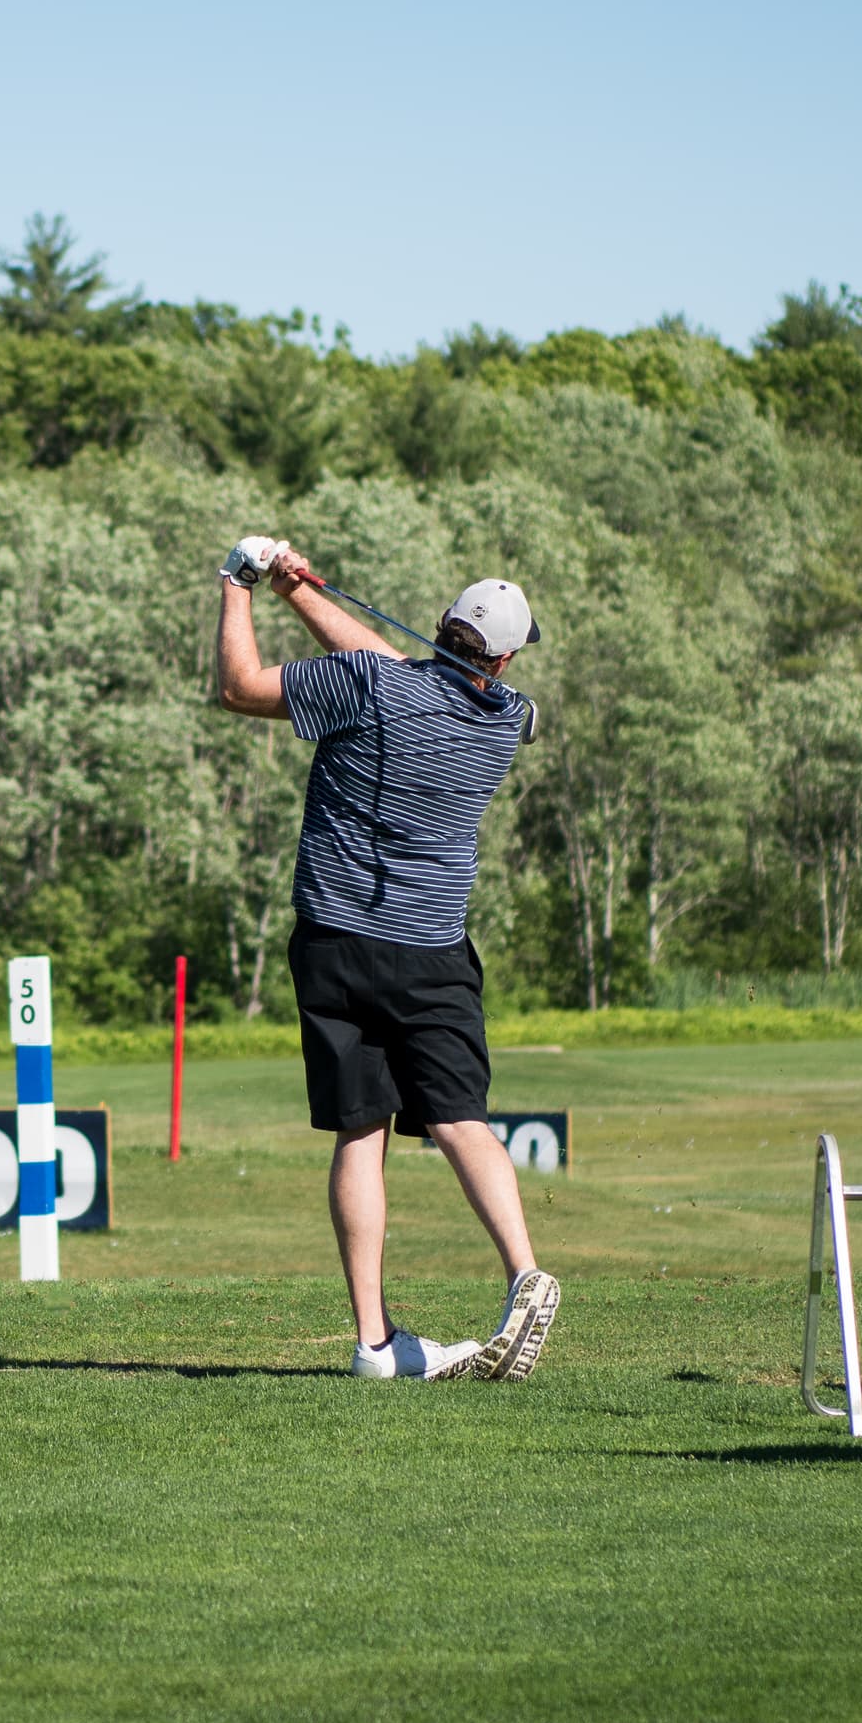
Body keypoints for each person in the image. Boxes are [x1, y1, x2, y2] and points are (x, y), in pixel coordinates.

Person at [213, 537, 561, 1381]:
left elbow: (238, 688)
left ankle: (374, 1343)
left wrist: (242, 584)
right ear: (508, 659)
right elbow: (399, 671)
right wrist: (302, 591)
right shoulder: (509, 720)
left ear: (443, 626)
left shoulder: (367, 687)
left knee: (359, 1133)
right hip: (433, 952)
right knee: (459, 1117)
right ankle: (523, 1270)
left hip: (335, 944)